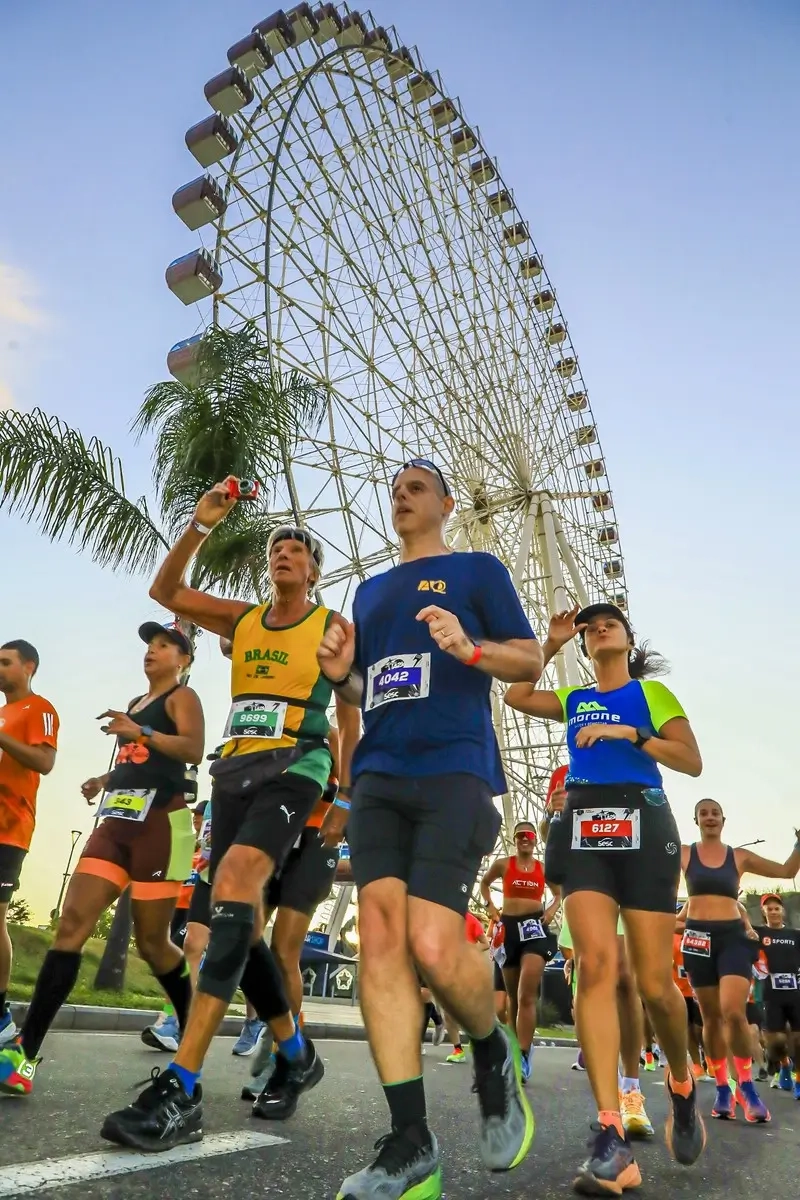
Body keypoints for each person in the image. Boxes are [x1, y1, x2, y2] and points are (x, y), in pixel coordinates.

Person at [100, 482, 356, 1152]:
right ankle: (296, 1053)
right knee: (234, 919)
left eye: (297, 549)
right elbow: (166, 591)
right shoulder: (243, 620)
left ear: (314, 569)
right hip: (236, 771)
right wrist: (200, 524)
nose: (283, 553)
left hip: (296, 765)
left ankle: (183, 1085)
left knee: (238, 885)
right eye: (276, 548)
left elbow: (350, 712)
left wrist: (345, 796)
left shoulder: (330, 625)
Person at [316, 459, 542, 1200]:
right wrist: (342, 673)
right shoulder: (371, 591)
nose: (402, 497)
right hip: (381, 773)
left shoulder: (478, 571)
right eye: (396, 490)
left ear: (447, 503)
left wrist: (470, 648)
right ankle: (410, 1140)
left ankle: (490, 1047)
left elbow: (527, 657)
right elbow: (369, 686)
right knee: (381, 939)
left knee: (435, 946)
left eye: (416, 488)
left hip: (455, 768)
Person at [506, 602, 705, 1194]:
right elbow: (517, 695)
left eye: (608, 623)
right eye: (589, 628)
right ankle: (611, 1138)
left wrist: (631, 734)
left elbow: (691, 761)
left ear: (628, 639)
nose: (597, 629)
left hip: (644, 818)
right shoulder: (573, 698)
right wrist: (550, 642)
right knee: (593, 968)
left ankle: (681, 1082)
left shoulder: (651, 695)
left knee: (655, 985)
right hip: (586, 822)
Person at [0, 623, 202, 1095]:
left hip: (165, 824)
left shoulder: (182, 698)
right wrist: (102, 780)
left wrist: (141, 730)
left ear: (184, 660)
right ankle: (24, 1054)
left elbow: (191, 749)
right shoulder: (135, 703)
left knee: (153, 943)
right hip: (116, 824)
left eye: (164, 646)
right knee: (71, 925)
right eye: (149, 645)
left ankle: (192, 1028)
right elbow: (137, 761)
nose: (152, 651)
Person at [541, 763, 654, 1141]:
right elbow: (550, 835)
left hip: (625, 878)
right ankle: (609, 1109)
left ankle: (632, 1091)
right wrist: (552, 813)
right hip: (584, 883)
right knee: (591, 982)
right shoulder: (563, 773)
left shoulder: (628, 759)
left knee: (625, 979)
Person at [679, 799, 800, 1124]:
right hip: (698, 939)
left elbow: (787, 871)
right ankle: (723, 1087)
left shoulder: (739, 857)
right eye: (703, 813)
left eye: (715, 813)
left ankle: (746, 1086)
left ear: (724, 819)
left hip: (732, 937)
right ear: (696, 820)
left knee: (733, 1012)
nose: (710, 817)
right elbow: (649, 864)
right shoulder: (685, 853)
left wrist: (799, 844)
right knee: (710, 1018)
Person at [0, 640, 59, 1047]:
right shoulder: (3, 713)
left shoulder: (40, 709)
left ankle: (1, 1013)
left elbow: (44, 762)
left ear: (29, 667)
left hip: (10, 829)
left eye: (6, 662)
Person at [480, 821, 560, 1081]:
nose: (525, 839)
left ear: (535, 840)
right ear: (514, 840)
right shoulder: (504, 864)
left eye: (529, 835)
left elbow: (558, 894)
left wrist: (551, 910)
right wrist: (491, 908)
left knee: (526, 993)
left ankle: (523, 1055)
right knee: (513, 997)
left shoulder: (542, 869)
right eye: (520, 835)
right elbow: (484, 884)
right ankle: (515, 1051)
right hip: (509, 929)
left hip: (534, 929)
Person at [142, 799, 208, 1053]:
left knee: (181, 954)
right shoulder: (189, 842)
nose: (196, 819)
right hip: (177, 907)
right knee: (172, 958)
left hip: (197, 909)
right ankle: (171, 1018)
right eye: (196, 815)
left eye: (200, 815)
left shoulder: (210, 845)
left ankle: (173, 1021)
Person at [753, 893, 800, 1097]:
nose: (773, 912)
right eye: (769, 909)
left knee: (798, 1040)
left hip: (795, 991)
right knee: (776, 1042)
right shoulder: (757, 933)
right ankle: (783, 1064)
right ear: (763, 912)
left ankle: (798, 1079)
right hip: (770, 993)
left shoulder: (795, 935)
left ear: (783, 911)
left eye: (776, 908)